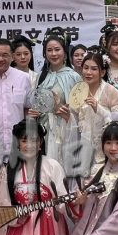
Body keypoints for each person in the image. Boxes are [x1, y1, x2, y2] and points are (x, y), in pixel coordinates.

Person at [68, 51, 118, 174]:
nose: (88, 72)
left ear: (102, 72)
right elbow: (75, 122)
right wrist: (66, 116)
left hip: (106, 151)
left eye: (94, 69)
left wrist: (98, 108)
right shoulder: (78, 91)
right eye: (86, 68)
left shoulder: (111, 92)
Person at [31, 32, 81, 169]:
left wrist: (66, 113)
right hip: (44, 130)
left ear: (65, 52)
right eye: (49, 50)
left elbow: (81, 110)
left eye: (57, 49)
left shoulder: (74, 77)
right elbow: (37, 104)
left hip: (65, 131)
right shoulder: (40, 77)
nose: (53, 54)